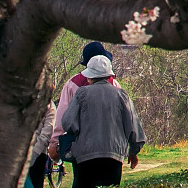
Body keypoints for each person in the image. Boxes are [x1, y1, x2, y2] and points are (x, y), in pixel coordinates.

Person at [57, 55, 145, 187]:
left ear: (90, 76)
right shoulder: (121, 95)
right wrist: (133, 151)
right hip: (114, 156)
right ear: (109, 75)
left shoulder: (82, 94)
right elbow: (134, 128)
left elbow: (68, 123)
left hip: (85, 156)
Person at [51, 42, 116, 161]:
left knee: (83, 179)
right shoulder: (115, 86)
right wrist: (132, 147)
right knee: (109, 179)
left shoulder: (73, 84)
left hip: (82, 147)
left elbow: (63, 117)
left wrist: (54, 142)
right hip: (110, 147)